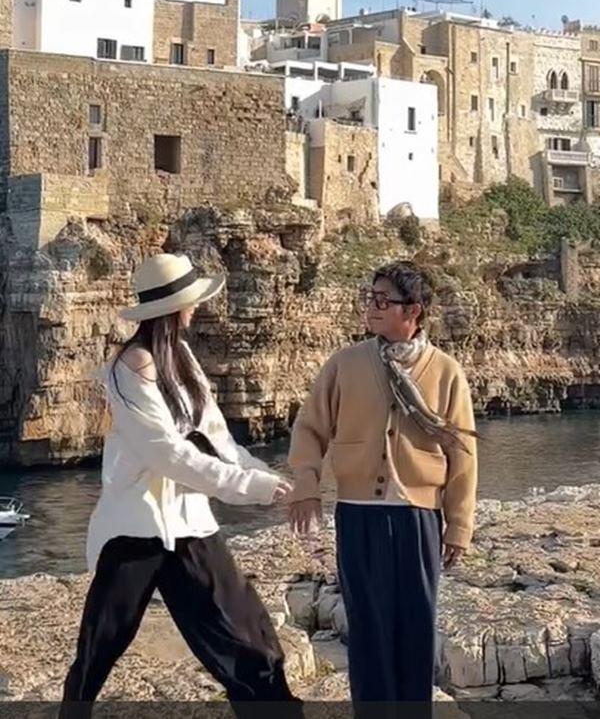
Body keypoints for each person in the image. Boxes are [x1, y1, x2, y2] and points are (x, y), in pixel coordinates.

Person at [60, 253, 302, 718]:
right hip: (137, 530)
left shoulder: (182, 357)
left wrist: (265, 479)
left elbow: (216, 437)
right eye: (190, 301)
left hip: (189, 524)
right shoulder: (130, 368)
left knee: (251, 637)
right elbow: (168, 455)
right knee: (99, 648)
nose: (196, 308)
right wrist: (249, 487)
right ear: (172, 309)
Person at [288, 260, 478, 709]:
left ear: (412, 310)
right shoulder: (345, 365)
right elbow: (309, 429)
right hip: (358, 516)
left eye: (382, 300)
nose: (370, 307)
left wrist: (459, 525)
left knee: (416, 626)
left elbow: (463, 453)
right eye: (369, 298)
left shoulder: (446, 372)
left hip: (419, 518)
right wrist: (306, 486)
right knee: (367, 629)